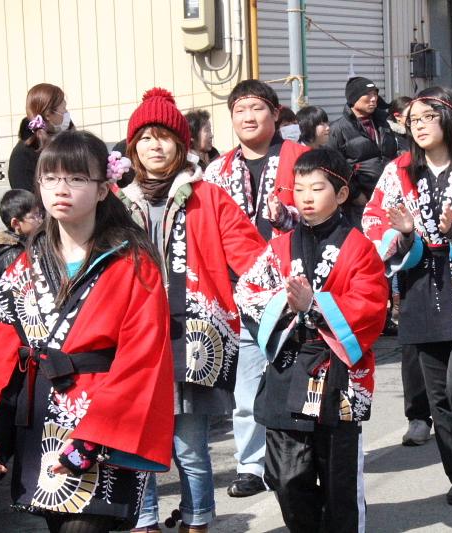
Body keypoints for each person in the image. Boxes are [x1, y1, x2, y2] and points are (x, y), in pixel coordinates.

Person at [0, 129, 174, 532]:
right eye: (50, 178)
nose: (61, 189)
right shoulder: (24, 264)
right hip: (40, 420)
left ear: (103, 189)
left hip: (102, 420)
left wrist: (94, 436)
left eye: (77, 178)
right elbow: (4, 354)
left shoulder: (133, 263)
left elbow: (143, 357)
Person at [120, 88, 265, 533]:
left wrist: (276, 295)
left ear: (181, 144)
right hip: (132, 341)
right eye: (145, 138)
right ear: (133, 147)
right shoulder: (116, 204)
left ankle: (197, 521)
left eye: (164, 136)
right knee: (136, 445)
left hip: (194, 342)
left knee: (190, 448)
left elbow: (251, 256)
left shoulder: (209, 196)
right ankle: (144, 522)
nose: (155, 146)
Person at [363, 87, 452, 511]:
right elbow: (373, 217)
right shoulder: (399, 169)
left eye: (428, 116)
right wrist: (402, 233)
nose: (419, 126)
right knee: (438, 394)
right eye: (414, 120)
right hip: (421, 282)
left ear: (449, 118)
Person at [236, 147, 387, 532]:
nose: (306, 197)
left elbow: (370, 306)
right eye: (299, 189)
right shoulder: (280, 246)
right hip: (288, 367)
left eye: (317, 188)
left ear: (340, 193)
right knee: (286, 479)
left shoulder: (359, 248)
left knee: (339, 479)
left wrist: (314, 306)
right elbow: (248, 291)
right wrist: (285, 306)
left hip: (337, 371)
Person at [204, 79, 310, 498]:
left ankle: (301, 459)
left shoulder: (301, 158)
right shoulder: (216, 171)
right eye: (240, 110)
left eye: (257, 108)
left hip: (293, 287)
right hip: (238, 292)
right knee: (246, 389)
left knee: (296, 381)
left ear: (275, 113)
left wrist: (288, 217)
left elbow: (325, 215)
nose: (248, 117)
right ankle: (251, 464)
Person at [327, 77, 398, 227]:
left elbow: (392, 156)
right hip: (358, 203)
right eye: (368, 94)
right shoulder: (338, 129)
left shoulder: (383, 123)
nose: (373, 99)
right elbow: (334, 167)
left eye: (375, 94)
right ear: (353, 98)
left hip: (388, 197)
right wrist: (355, 195)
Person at [8, 83, 74, 191]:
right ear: (48, 115)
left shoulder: (69, 143)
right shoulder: (23, 154)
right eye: (63, 108)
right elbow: (24, 195)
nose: (67, 113)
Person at [0, 189, 41, 283]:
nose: (40, 220)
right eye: (33, 217)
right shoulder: (12, 256)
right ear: (16, 223)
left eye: (39, 214)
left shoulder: (30, 242)